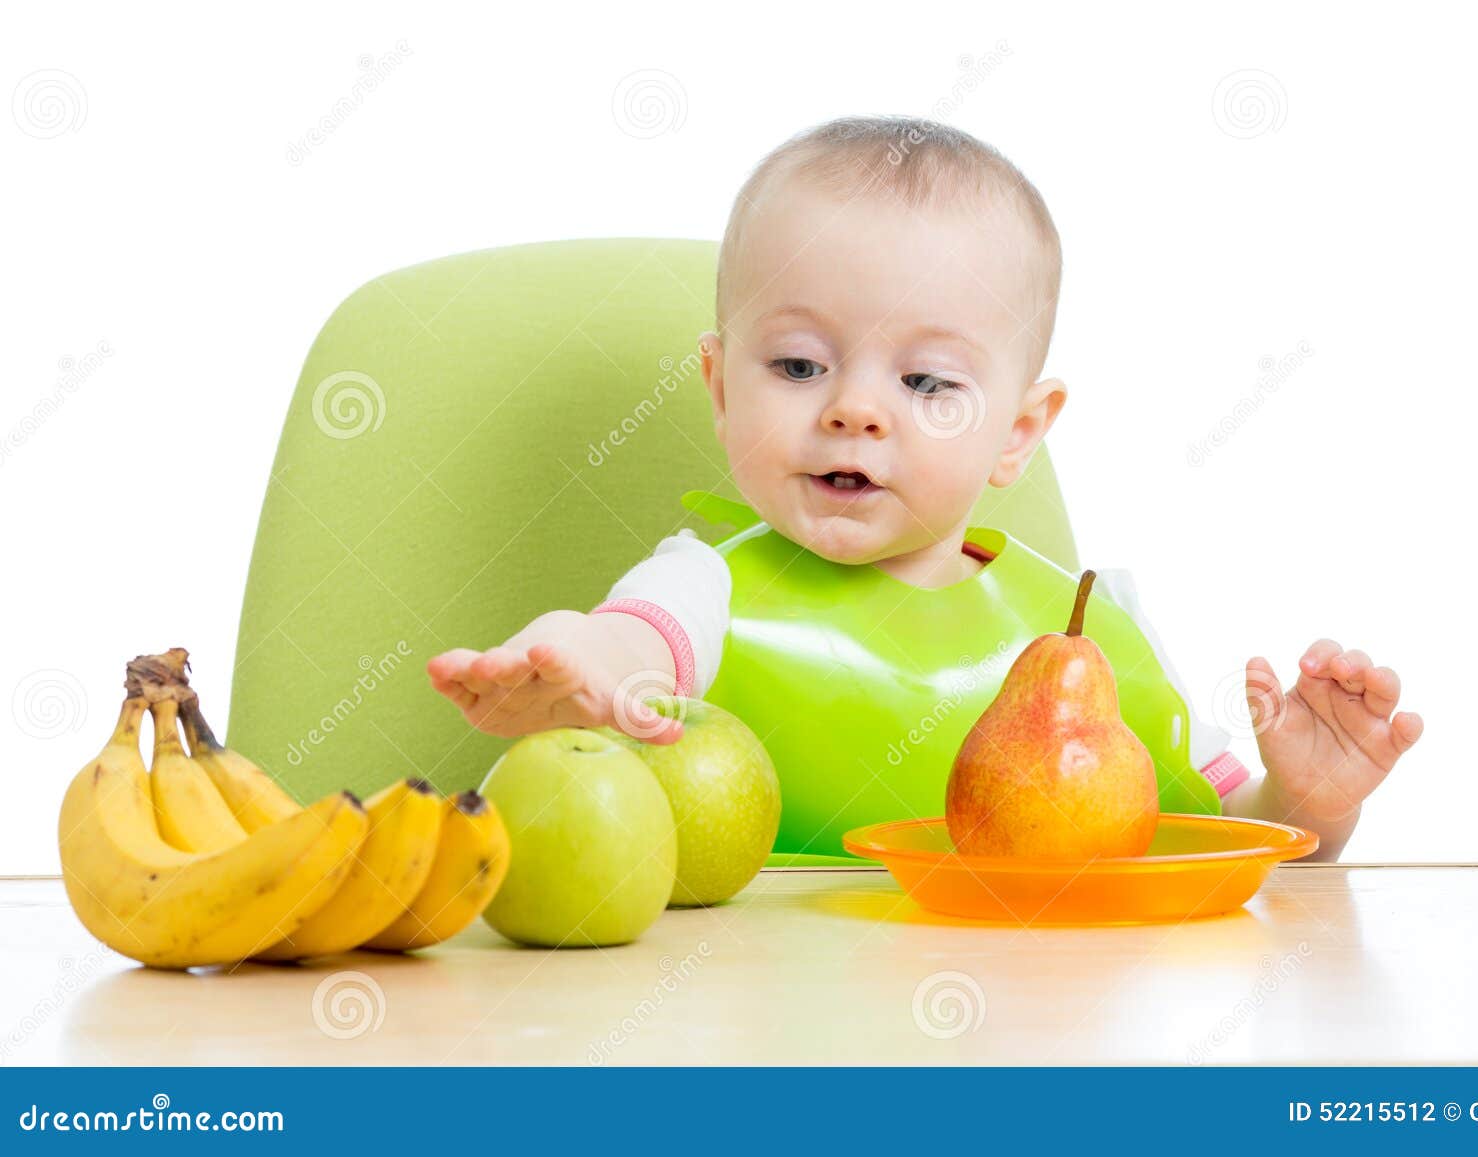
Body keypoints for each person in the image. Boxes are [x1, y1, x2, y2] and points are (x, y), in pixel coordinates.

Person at [426, 116, 1423, 862]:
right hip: (740, 1031)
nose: (856, 409)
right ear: (721, 387)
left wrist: (1306, 805)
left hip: (1008, 1029)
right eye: (800, 365)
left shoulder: (1089, 639)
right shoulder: (702, 588)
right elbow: (637, 645)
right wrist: (582, 660)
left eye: (926, 382)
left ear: (1017, 431)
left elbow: (1212, 837)